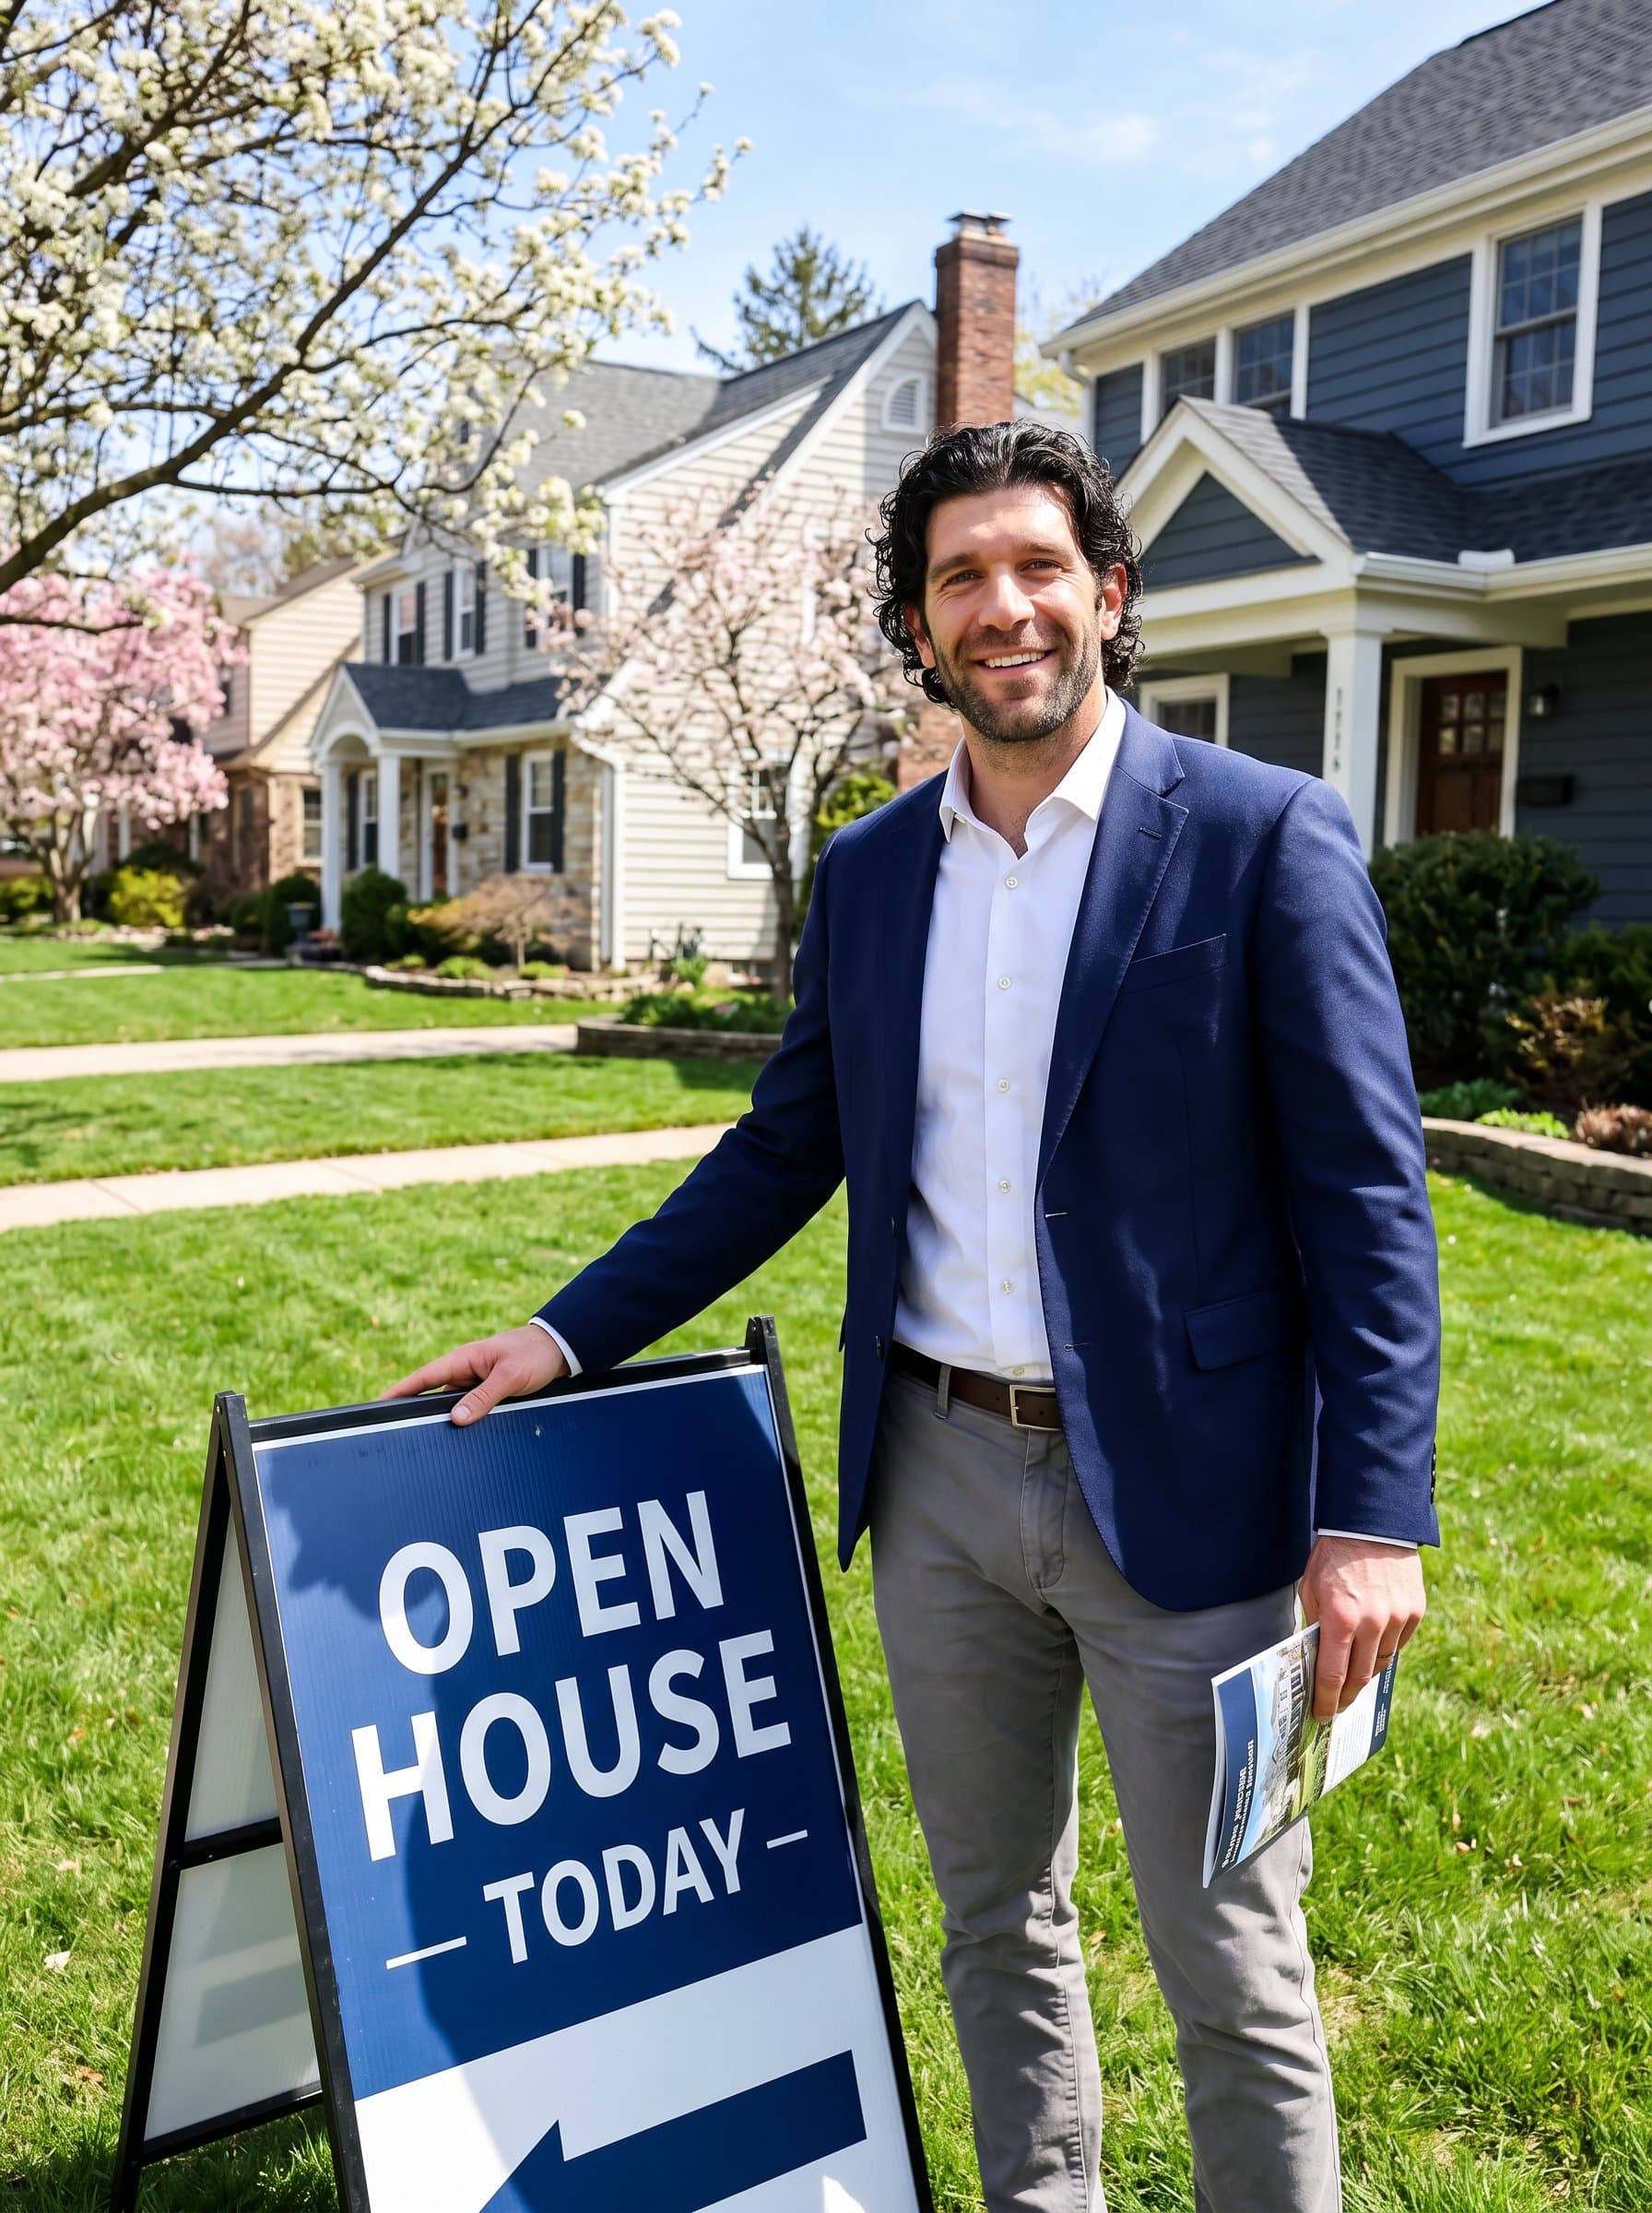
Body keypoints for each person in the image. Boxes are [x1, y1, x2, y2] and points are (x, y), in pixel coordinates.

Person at [386, 420, 1440, 2213]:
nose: (1001, 605)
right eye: (959, 577)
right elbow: (780, 1149)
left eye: (1036, 566)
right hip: (939, 1481)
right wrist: (563, 1337)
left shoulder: (1266, 841)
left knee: (1227, 1964)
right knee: (991, 1920)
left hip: (1198, 1503)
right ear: (917, 625)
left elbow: (1366, 1207)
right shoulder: (873, 875)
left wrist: (1367, 1522)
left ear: (1106, 595)